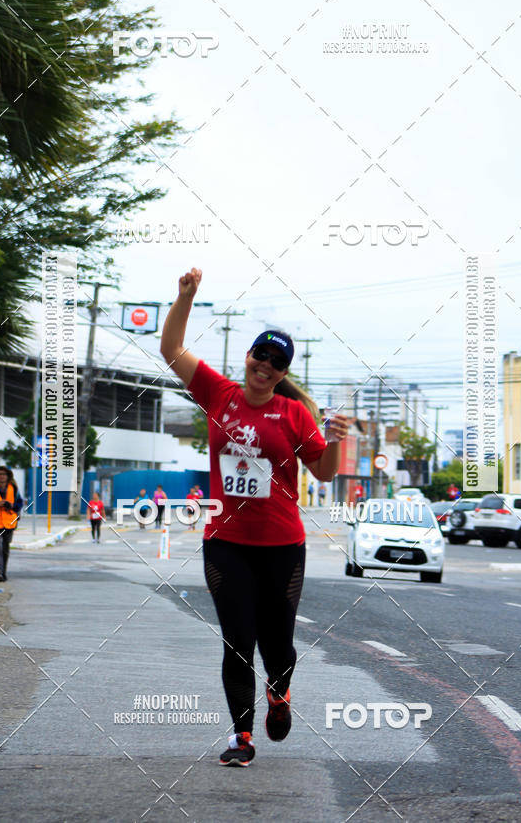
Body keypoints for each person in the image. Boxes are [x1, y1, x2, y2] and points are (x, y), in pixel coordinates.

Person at [160, 267, 349, 767]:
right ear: (248, 357)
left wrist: (335, 440)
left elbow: (325, 474)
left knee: (278, 643)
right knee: (238, 641)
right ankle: (241, 739)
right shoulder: (219, 394)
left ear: (283, 373)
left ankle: (279, 694)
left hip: (282, 545)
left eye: (276, 361)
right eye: (260, 355)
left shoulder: (294, 416)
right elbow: (172, 350)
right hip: (226, 540)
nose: (265, 365)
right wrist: (185, 297)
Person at [0, 466, 23, 582]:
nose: (1, 476)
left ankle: (3, 571)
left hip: (9, 523)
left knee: (5, 548)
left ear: (7, 476)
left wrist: (11, 505)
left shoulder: (14, 490)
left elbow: (19, 504)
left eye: (4, 474)